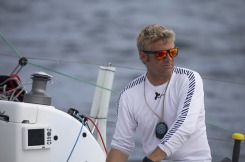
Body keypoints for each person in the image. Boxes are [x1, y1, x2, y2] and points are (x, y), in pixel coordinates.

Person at [106, 24, 212, 162]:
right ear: (144, 57)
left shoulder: (190, 79)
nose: (169, 58)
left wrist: (151, 159)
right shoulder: (128, 94)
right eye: (161, 54)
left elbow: (185, 126)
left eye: (172, 52)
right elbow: (121, 145)